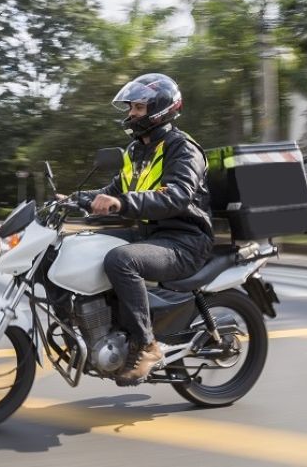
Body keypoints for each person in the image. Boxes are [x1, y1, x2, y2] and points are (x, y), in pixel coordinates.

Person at [81, 73, 214, 386]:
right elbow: (113, 191)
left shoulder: (183, 148)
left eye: (138, 108)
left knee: (121, 260)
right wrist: (73, 200)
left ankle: (146, 345)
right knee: (85, 245)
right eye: (131, 107)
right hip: (151, 236)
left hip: (185, 241)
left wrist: (122, 203)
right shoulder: (136, 151)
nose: (131, 114)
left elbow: (177, 196)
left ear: (160, 110)